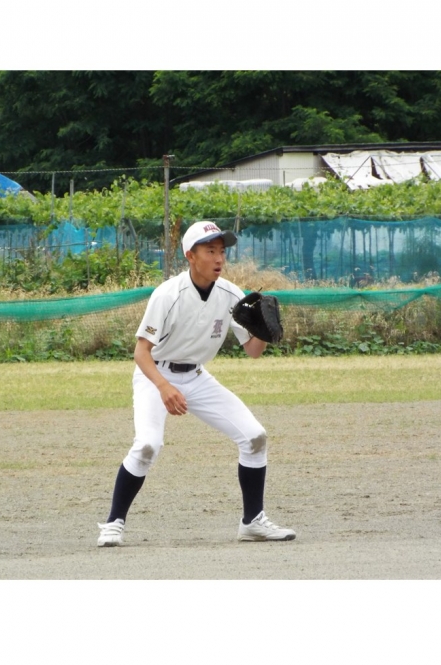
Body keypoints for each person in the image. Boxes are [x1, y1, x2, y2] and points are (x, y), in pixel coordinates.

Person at [97, 221, 296, 547]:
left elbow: (253, 351)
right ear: (190, 255)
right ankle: (113, 524)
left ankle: (253, 522)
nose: (219, 258)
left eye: (222, 251)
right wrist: (164, 387)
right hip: (155, 375)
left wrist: (263, 330)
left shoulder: (231, 294)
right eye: (210, 250)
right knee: (147, 445)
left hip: (197, 377)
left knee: (255, 436)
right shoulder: (168, 295)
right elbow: (141, 353)